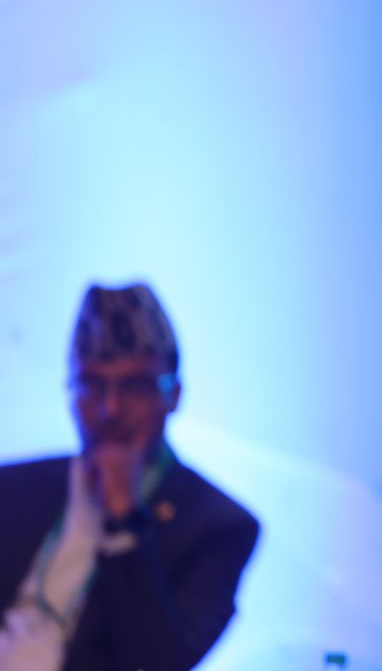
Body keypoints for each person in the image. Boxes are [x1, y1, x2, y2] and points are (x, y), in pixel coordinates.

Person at [0, 284, 259, 671]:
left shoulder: (217, 526)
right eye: (92, 385)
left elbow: (157, 663)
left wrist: (125, 520)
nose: (110, 409)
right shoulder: (13, 488)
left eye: (134, 386)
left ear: (174, 394)